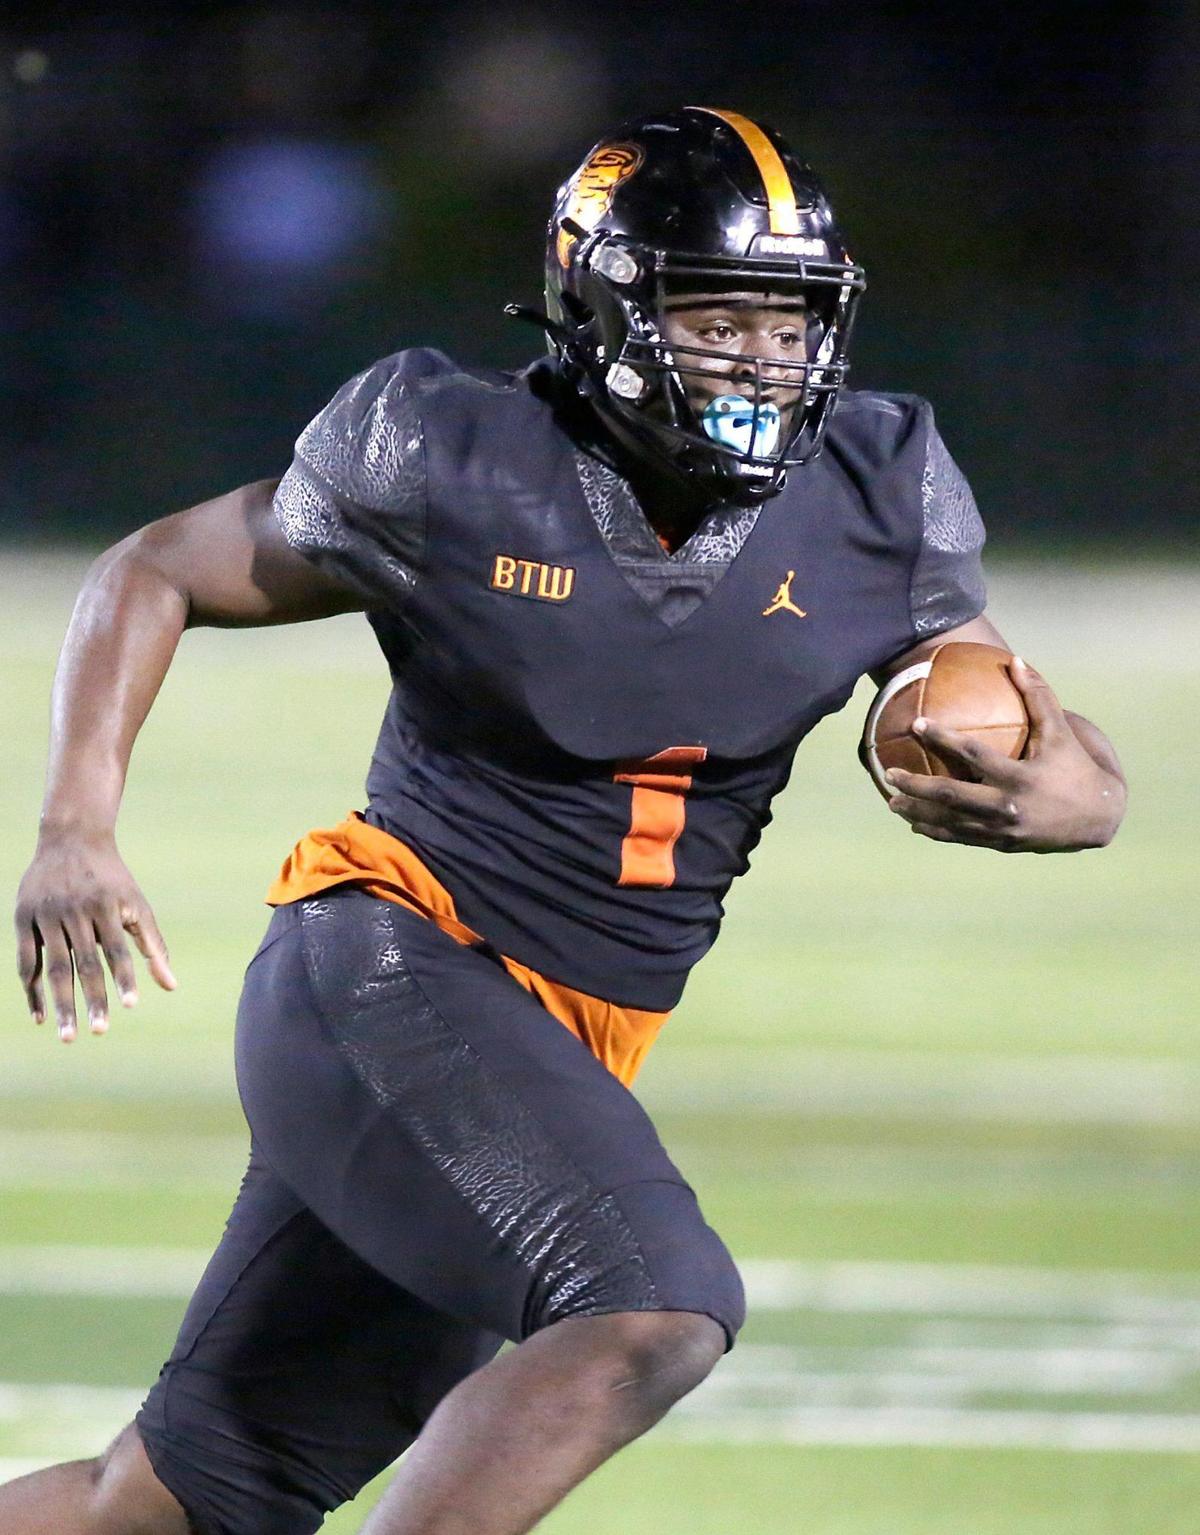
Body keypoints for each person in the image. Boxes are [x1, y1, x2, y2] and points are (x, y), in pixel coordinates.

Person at [7, 107, 1126, 1535]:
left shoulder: (876, 485)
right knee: (655, 1306)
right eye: (720, 317)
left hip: (564, 1040)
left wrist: (1067, 791)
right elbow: (156, 566)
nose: (763, 360)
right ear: (605, 305)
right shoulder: (451, 452)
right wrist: (75, 828)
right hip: (391, 960)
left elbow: (1045, 733)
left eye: (790, 327)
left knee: (175, 1504)